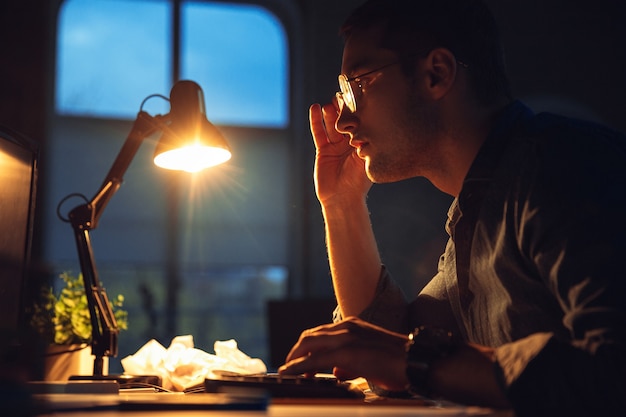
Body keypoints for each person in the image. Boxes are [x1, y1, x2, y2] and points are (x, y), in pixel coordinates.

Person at [277, 0, 626, 415]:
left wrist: (410, 359)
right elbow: (391, 353)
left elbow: (613, 372)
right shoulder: (478, 207)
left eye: (357, 85)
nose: (343, 121)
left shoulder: (563, 169)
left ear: (435, 74)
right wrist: (342, 204)